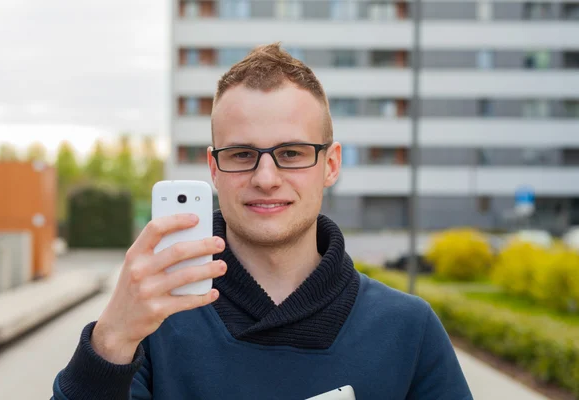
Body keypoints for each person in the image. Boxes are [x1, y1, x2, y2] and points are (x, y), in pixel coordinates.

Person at [51, 42, 473, 400]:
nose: (266, 179)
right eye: (241, 155)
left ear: (331, 164)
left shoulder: (409, 330)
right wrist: (109, 342)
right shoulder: (152, 323)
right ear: (214, 170)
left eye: (291, 153)